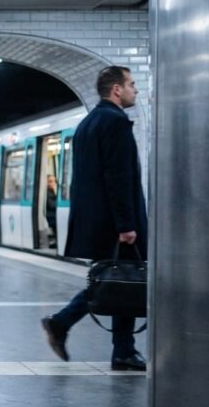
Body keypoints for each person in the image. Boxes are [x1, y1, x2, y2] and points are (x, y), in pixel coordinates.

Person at [41, 66, 148, 371]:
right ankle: (63, 323)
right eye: (132, 84)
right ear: (117, 89)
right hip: (115, 222)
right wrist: (126, 224)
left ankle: (123, 350)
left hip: (98, 220)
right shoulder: (115, 123)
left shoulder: (89, 122)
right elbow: (118, 178)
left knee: (117, 281)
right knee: (116, 282)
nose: (135, 90)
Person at [45, 174, 58, 247]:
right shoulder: (47, 192)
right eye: (50, 181)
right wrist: (56, 192)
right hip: (50, 215)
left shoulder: (53, 191)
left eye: (54, 181)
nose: (53, 183)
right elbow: (52, 205)